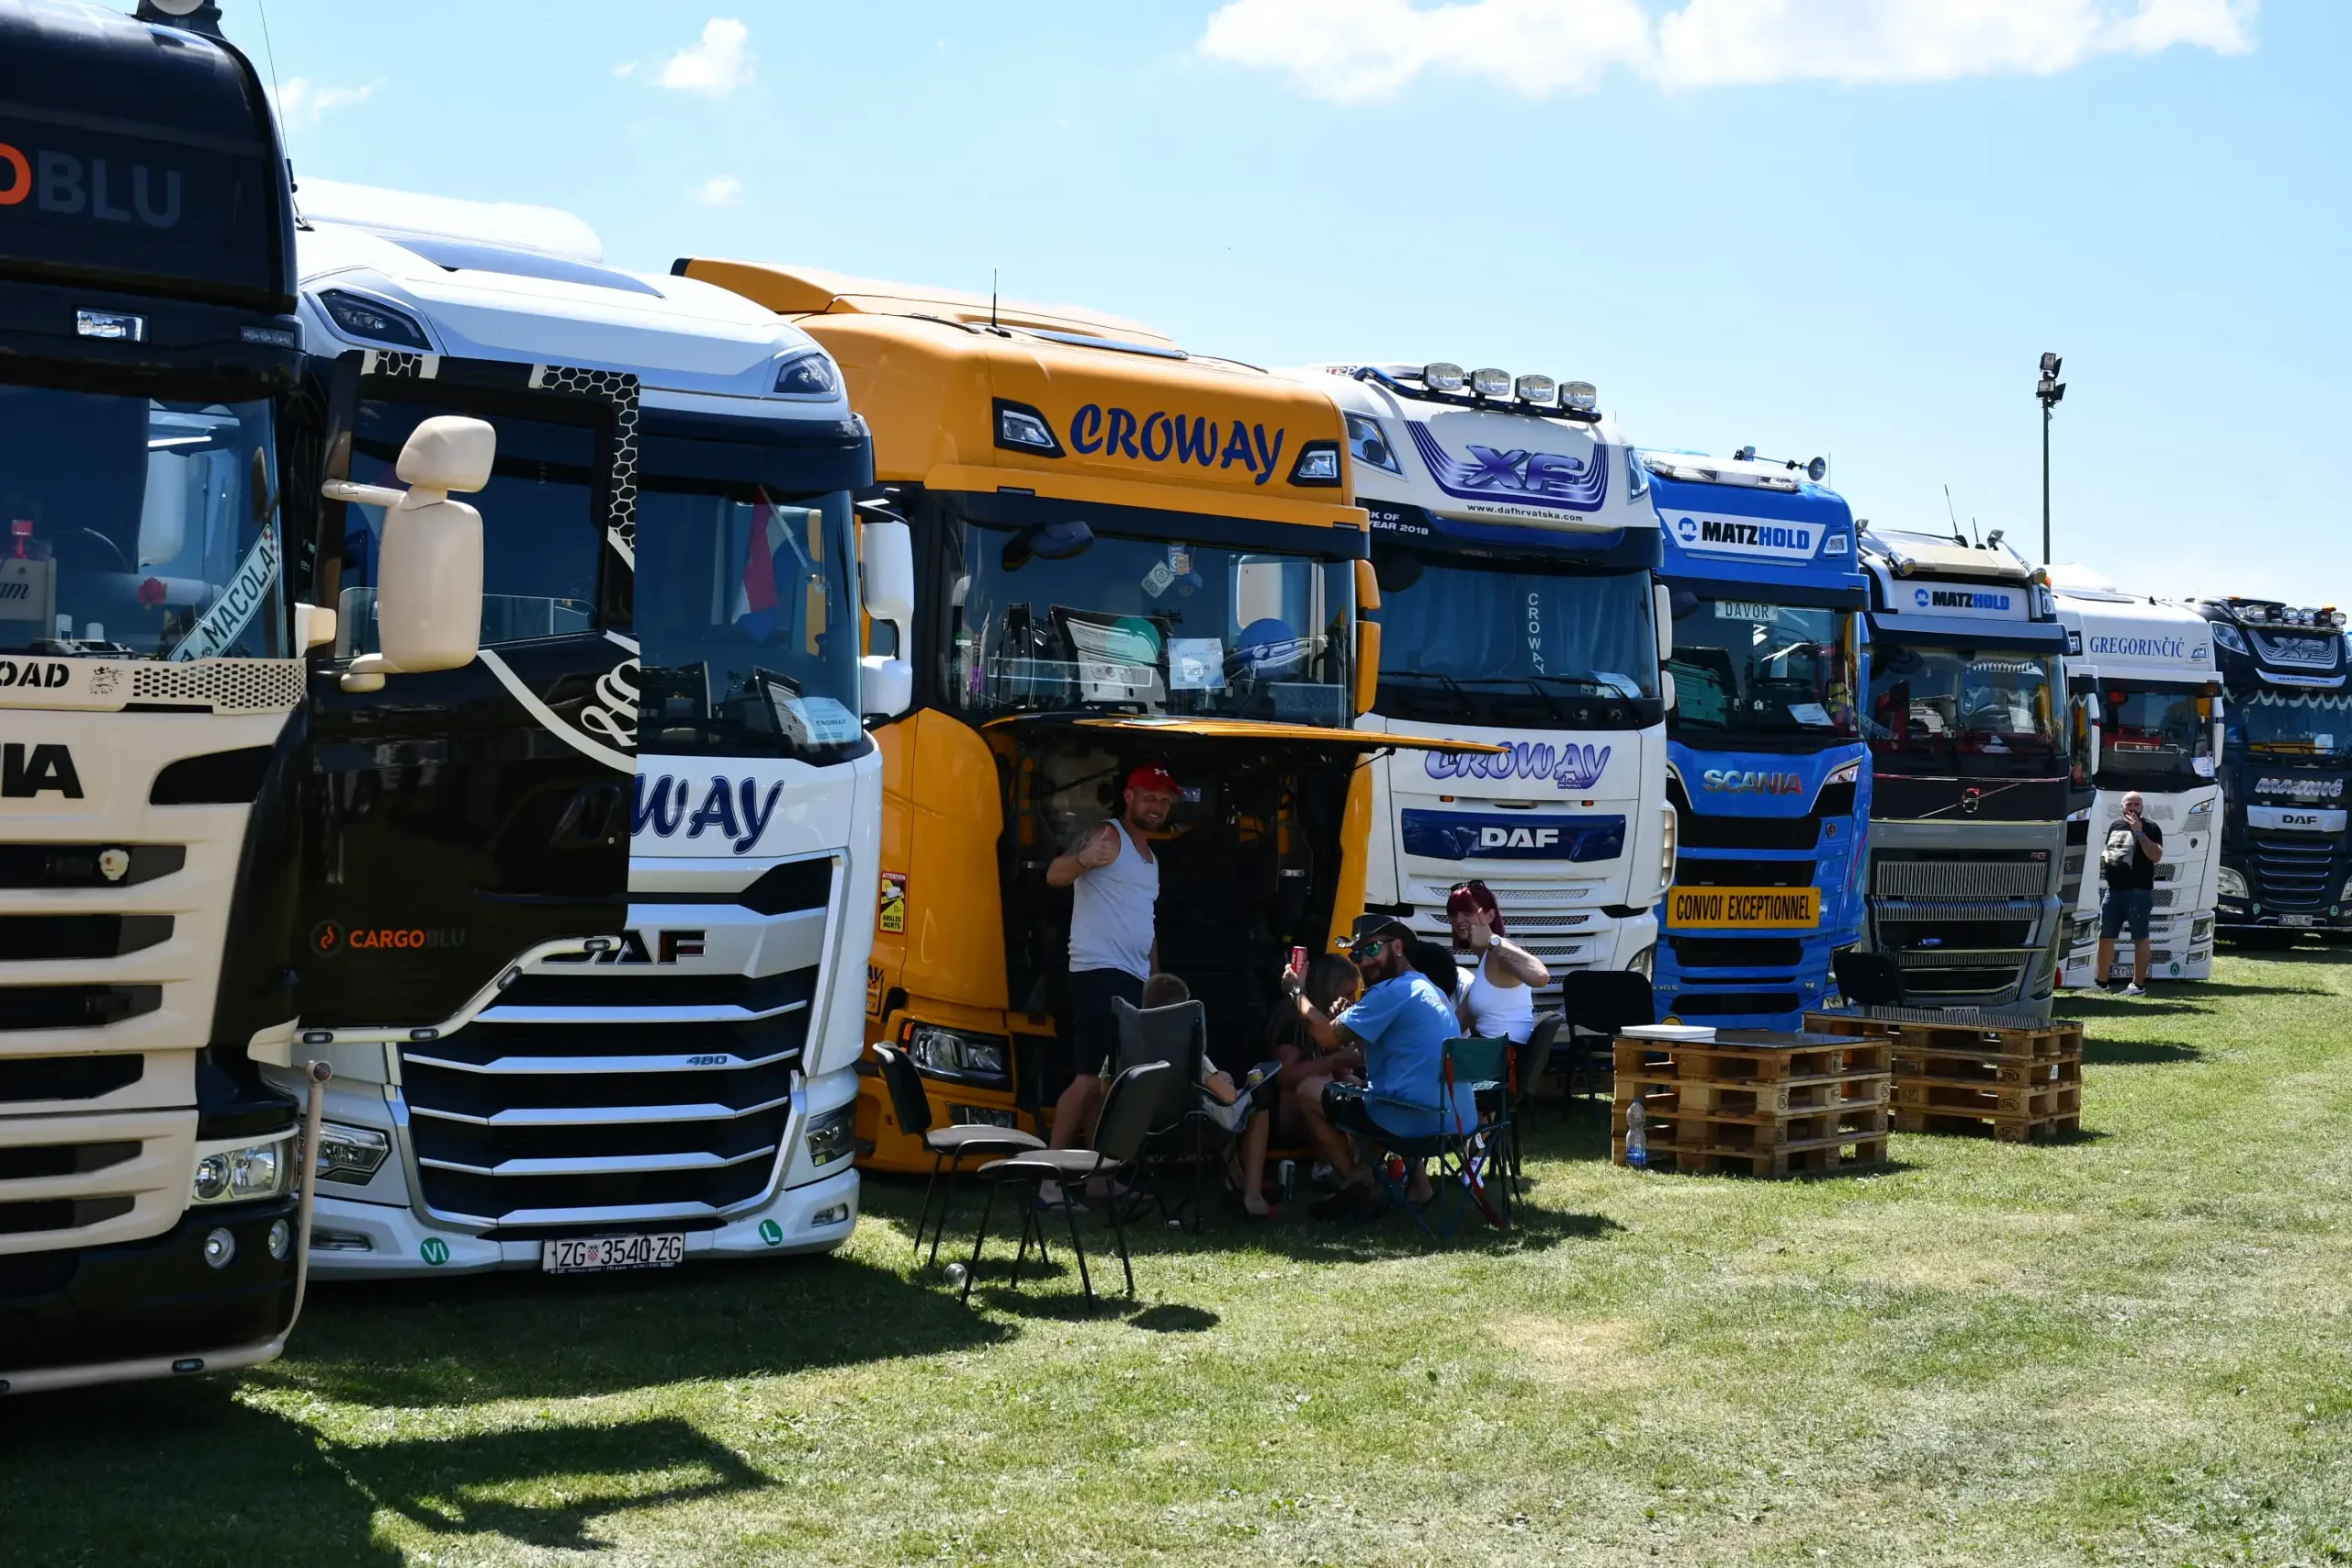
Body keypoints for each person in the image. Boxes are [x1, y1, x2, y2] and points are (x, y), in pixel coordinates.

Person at [1041, 761, 1178, 1205]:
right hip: (1098, 972)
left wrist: (1155, 977)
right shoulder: (1107, 835)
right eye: (1150, 796)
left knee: (1106, 1084)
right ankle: (1048, 1180)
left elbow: (1146, 923)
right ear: (1130, 797)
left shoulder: (1149, 857)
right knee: (1085, 1080)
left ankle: (1097, 1179)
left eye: (1164, 799)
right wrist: (1082, 860)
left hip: (1131, 978)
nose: (1157, 806)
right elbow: (1054, 875)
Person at [1286, 920, 1453, 1220]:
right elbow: (1371, 1054)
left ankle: (1357, 1183)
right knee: (1368, 1093)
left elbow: (1324, 1036)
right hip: (1453, 1117)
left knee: (1309, 1090)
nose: (1363, 961)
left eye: (1372, 949)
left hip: (1411, 1118)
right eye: (1357, 954)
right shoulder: (1428, 988)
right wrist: (1351, 1025)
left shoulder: (1390, 991)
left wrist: (1297, 992)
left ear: (1398, 947)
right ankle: (1400, 1186)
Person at [1223, 954, 1363, 1219]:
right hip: (1273, 1113)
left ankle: (1353, 1172)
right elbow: (1282, 1076)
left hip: (1296, 1109)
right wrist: (1337, 1059)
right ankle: (1345, 1174)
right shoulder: (1293, 1021)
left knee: (1352, 1087)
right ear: (1328, 989)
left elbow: (1341, 1069)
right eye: (1348, 992)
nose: (1353, 1000)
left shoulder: (1330, 1022)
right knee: (1318, 1087)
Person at [1446, 880, 1551, 1043]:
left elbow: (1540, 976)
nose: (1459, 920)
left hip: (1504, 1058)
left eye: (1467, 912)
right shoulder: (1486, 960)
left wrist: (1492, 940)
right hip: (1492, 1054)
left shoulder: (1498, 949)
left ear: (1490, 916)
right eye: (1453, 914)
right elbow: (1454, 1025)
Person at [2096, 789, 2165, 996]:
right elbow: (2110, 850)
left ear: (2142, 808)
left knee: (2140, 936)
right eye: (2129, 804)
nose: (2132, 808)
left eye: (2136, 804)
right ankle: (2101, 984)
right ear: (2122, 807)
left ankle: (2138, 986)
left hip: (2139, 891)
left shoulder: (2151, 828)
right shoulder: (2115, 826)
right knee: (2105, 936)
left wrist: (2139, 833)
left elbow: (2157, 856)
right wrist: (2105, 857)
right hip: (2113, 890)